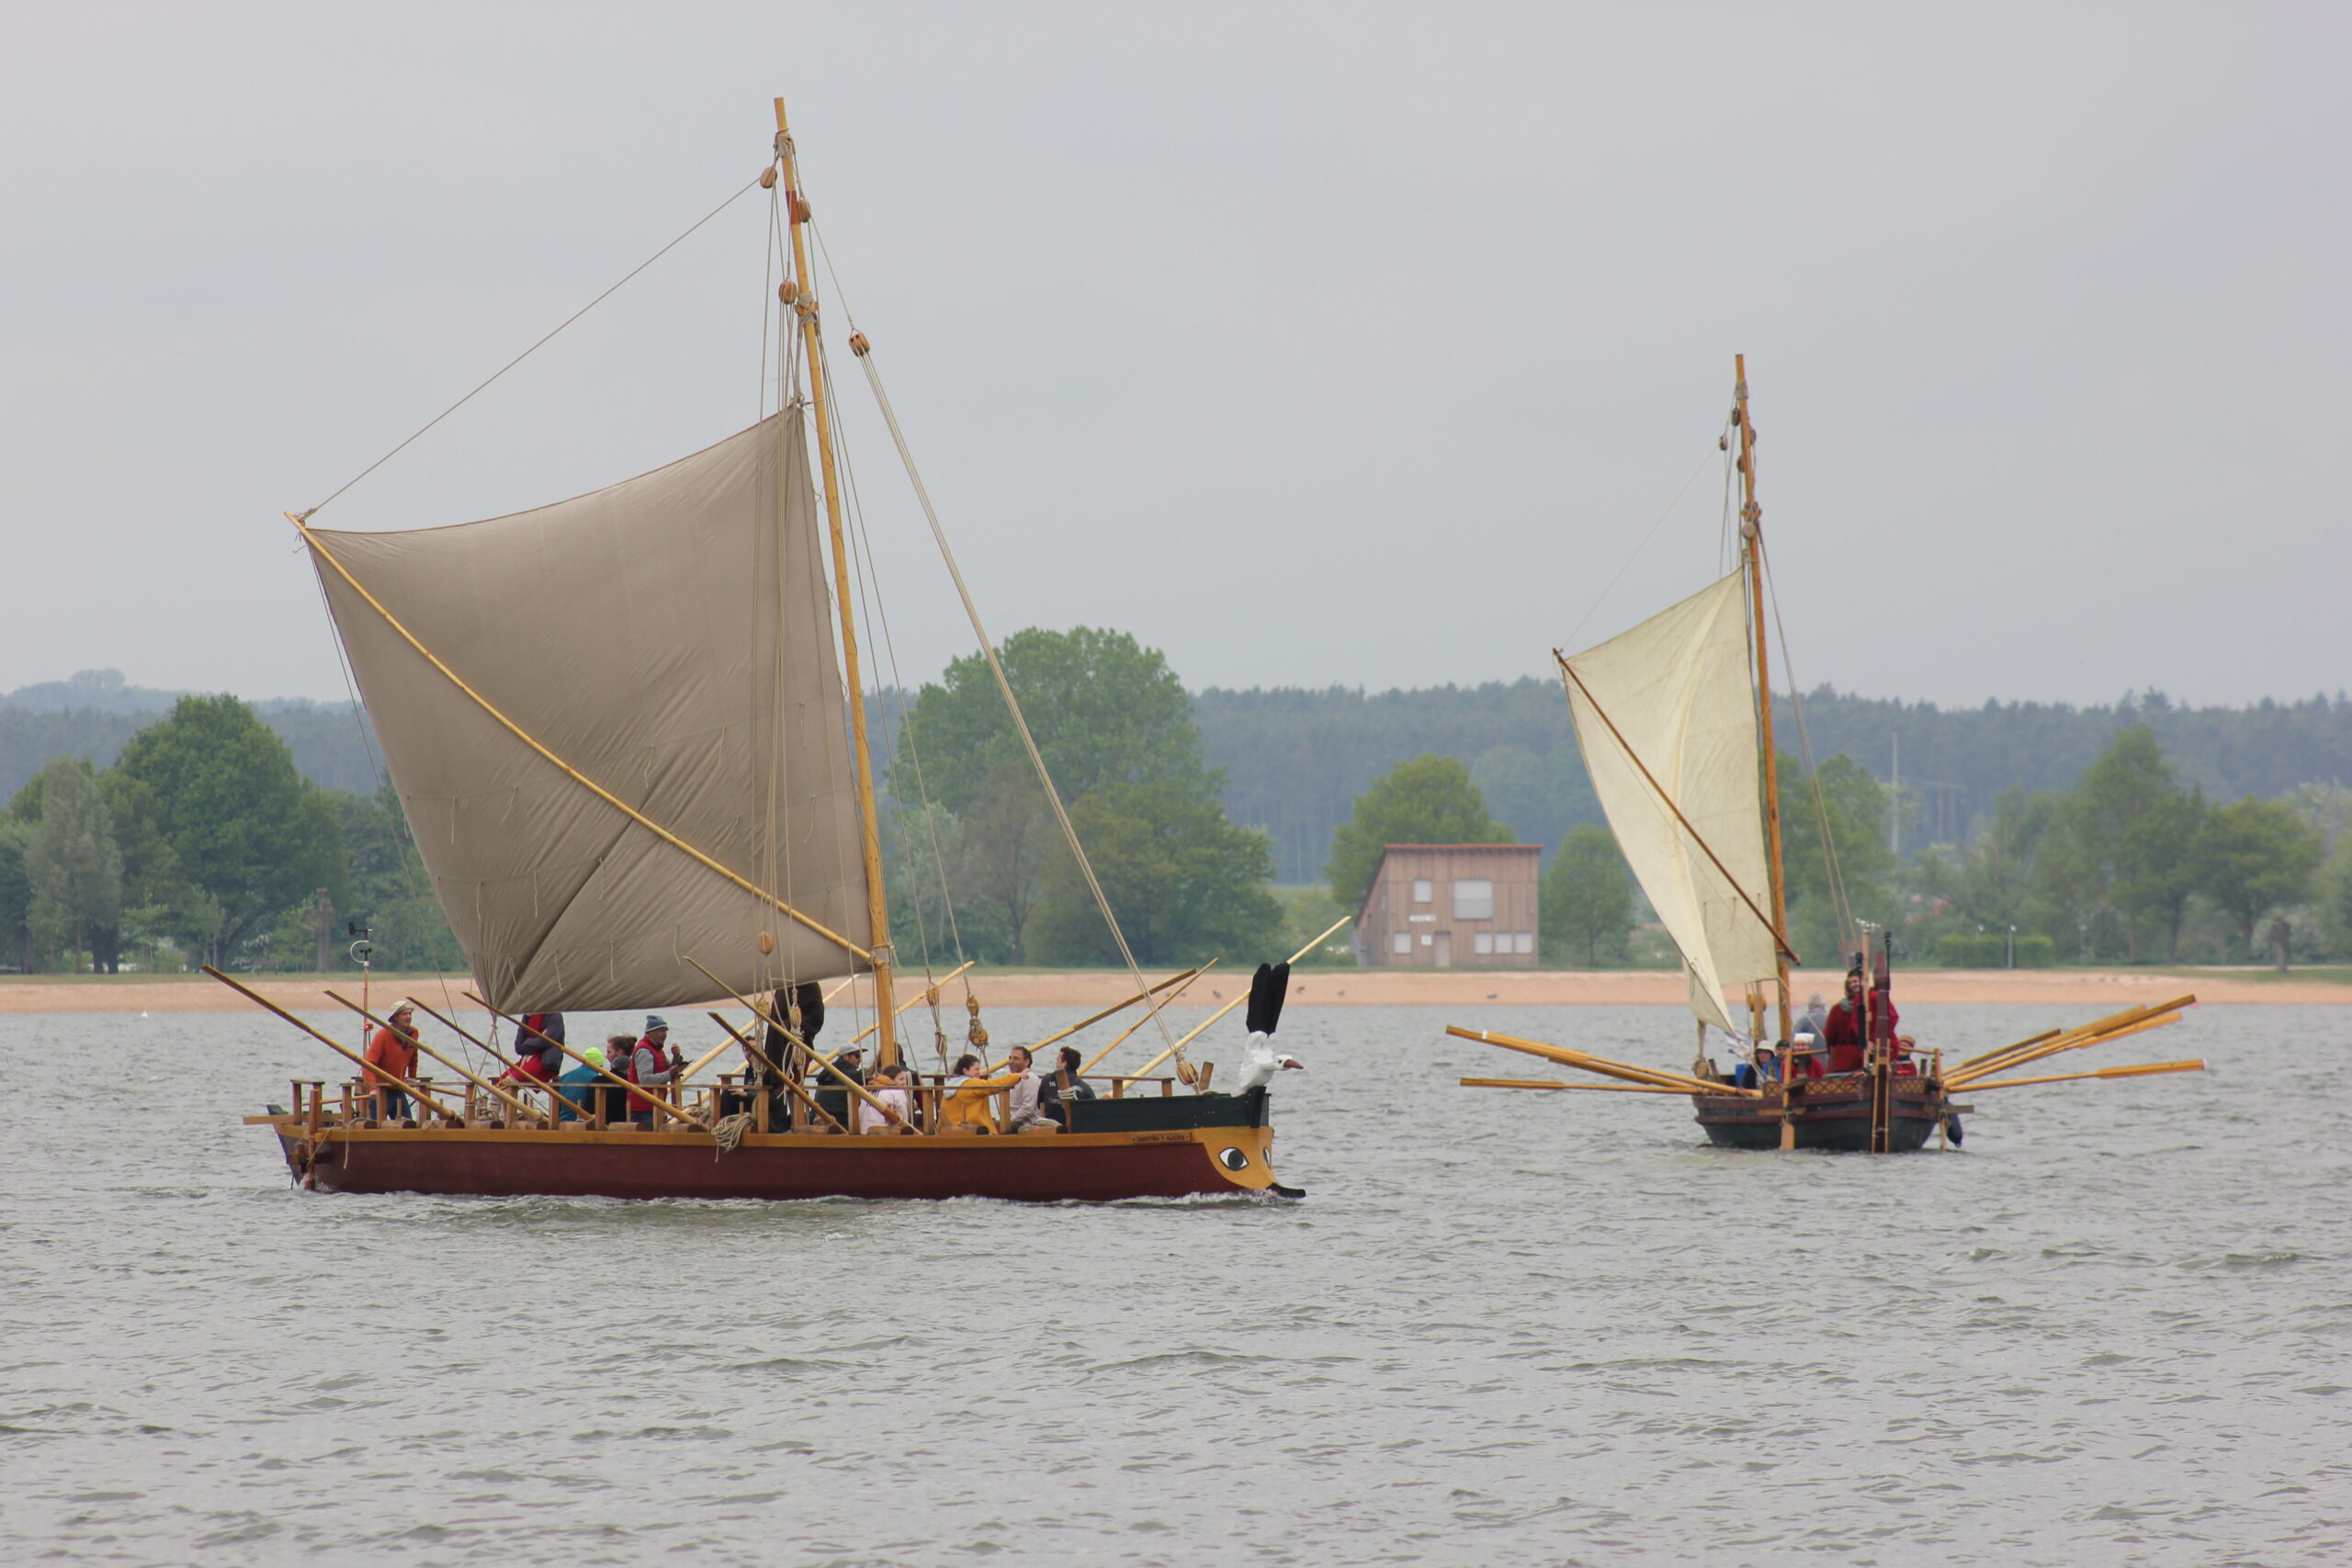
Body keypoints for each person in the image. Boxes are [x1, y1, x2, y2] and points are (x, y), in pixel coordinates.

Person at [1823, 971, 1897, 1074]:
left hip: (1851, 1057)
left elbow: (1829, 1036)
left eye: (1856, 981)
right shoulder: (1842, 1008)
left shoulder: (1871, 998)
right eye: (1851, 982)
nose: (1854, 984)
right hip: (1860, 1055)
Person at [365, 1002, 420, 1122]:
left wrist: (412, 1076)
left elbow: (413, 1056)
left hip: (398, 1088)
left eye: (410, 1013)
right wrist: (372, 1088)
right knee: (377, 1126)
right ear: (395, 1017)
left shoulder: (414, 1033)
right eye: (404, 1014)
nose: (408, 1017)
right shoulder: (383, 1035)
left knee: (408, 1124)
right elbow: (368, 1063)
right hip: (381, 1090)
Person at [941, 1052, 1015, 1134]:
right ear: (965, 1071)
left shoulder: (953, 1084)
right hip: (970, 1130)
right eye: (976, 1069)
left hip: (952, 1127)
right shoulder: (970, 1083)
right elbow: (994, 1085)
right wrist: (1016, 1076)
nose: (979, 1072)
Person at [628, 1015, 683, 1128]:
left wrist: (676, 1057)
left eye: (665, 1031)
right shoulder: (644, 1051)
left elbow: (669, 1068)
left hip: (655, 1105)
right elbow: (644, 1079)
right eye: (661, 1031)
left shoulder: (657, 1049)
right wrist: (669, 1074)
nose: (664, 1034)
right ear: (650, 1033)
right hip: (643, 1107)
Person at [1037, 1044, 1098, 1127]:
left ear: (1064, 1063)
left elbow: (1040, 1104)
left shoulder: (1047, 1079)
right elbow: (1094, 1114)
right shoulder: (1086, 1089)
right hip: (1075, 1130)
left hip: (1049, 1129)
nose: (1055, 1063)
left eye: (1057, 1060)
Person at [1001, 1045, 1057, 1134]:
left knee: (995, 1126)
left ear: (1027, 1061)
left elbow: (1028, 1109)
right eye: (1010, 1058)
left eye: (1016, 1058)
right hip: (1013, 1121)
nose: (1011, 1061)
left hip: (1026, 1124)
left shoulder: (1030, 1078)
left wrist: (1007, 1122)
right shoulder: (1012, 1079)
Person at [812, 1044, 865, 1131]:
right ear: (846, 1057)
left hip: (819, 1118)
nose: (860, 1060)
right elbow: (861, 1078)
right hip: (841, 1123)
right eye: (857, 1056)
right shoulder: (852, 1074)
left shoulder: (828, 1072)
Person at [858, 1061, 916, 1134]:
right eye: (901, 1079)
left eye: (905, 1079)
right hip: (880, 1133)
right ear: (891, 1079)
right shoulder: (897, 1091)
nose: (904, 1082)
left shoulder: (870, 1089)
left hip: (862, 1131)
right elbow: (903, 1119)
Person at [553, 1045, 605, 1123]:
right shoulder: (596, 1079)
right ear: (600, 1065)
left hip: (563, 1121)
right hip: (584, 1122)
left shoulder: (565, 1076)